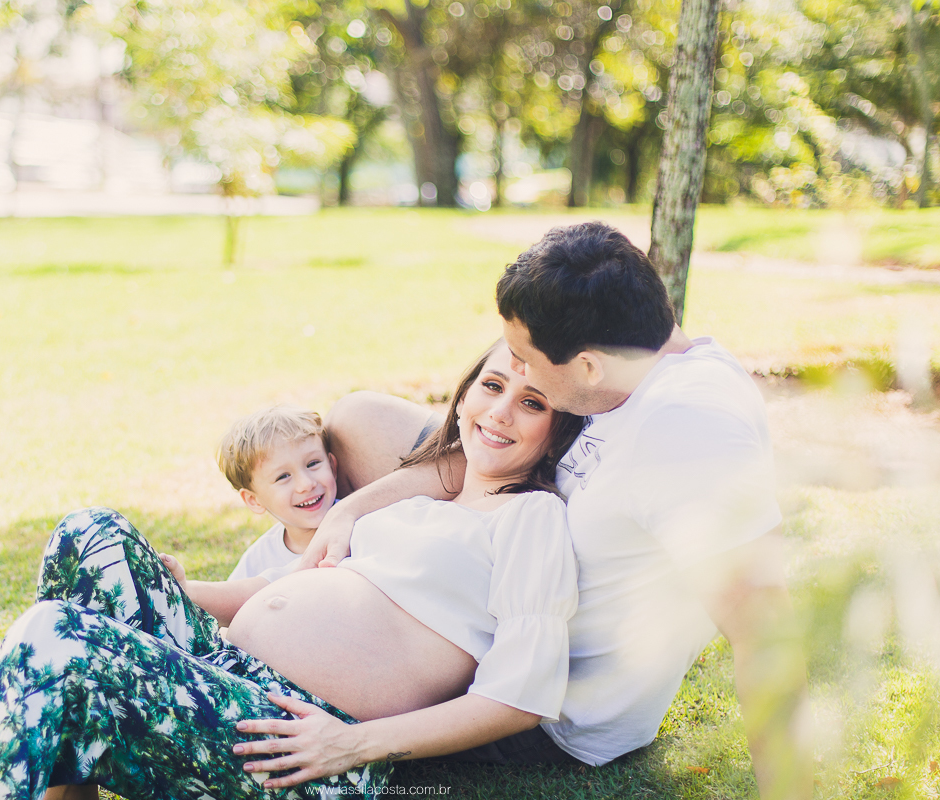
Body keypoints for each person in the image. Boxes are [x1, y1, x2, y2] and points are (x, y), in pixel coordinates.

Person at [0, 341, 587, 800]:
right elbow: (300, 591)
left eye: (532, 403)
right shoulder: (418, 496)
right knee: (90, 534)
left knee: (54, 635)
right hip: (231, 680)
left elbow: (519, 700)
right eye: (493, 386)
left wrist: (353, 747)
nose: (500, 411)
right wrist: (179, 594)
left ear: (555, 429)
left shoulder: (531, 518)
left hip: (304, 740)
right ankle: (67, 790)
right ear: (466, 394)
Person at [301, 222, 813, 799]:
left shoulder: (690, 436)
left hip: (542, 691)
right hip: (510, 541)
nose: (516, 369)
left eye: (524, 358)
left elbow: (766, 632)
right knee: (362, 418)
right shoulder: (636, 364)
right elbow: (477, 450)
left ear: (588, 367)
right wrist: (350, 512)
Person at [216, 405, 338, 580]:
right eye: (283, 476)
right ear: (254, 500)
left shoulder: (359, 523)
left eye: (312, 463)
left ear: (332, 466)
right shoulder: (257, 562)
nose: (306, 484)